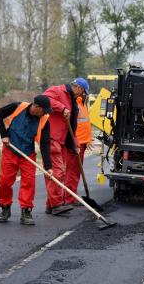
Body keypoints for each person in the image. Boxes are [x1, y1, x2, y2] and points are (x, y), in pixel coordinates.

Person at [0, 95, 53, 225]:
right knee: (4, 182)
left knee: (28, 183)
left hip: (28, 153)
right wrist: (4, 135)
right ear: (36, 107)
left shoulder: (44, 120)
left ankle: (26, 211)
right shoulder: (17, 107)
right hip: (10, 150)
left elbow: (45, 144)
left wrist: (48, 166)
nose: (45, 113)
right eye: (44, 110)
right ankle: (5, 208)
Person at [42, 78, 85, 215]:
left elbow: (72, 125)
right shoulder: (58, 90)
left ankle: (51, 205)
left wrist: (75, 143)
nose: (81, 95)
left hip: (62, 140)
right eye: (82, 92)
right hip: (51, 136)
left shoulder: (73, 101)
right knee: (57, 171)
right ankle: (56, 205)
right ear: (78, 87)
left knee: (56, 172)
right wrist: (61, 108)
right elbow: (43, 99)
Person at [64, 77, 92, 206]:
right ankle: (68, 199)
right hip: (75, 144)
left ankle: (71, 196)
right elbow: (72, 125)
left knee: (75, 172)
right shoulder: (73, 103)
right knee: (72, 172)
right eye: (85, 92)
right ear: (80, 89)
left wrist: (88, 140)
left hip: (82, 143)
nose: (86, 94)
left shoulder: (81, 103)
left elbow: (84, 124)